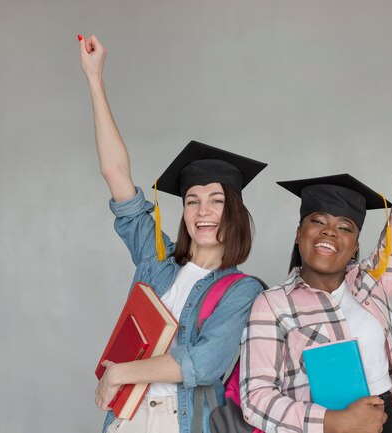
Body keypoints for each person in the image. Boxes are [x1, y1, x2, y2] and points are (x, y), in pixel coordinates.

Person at [78, 34, 267, 433]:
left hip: (180, 421)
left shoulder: (242, 290)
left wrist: (120, 373)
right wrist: (95, 80)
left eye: (216, 200)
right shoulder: (158, 260)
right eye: (192, 200)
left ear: (233, 210)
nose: (203, 212)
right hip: (127, 417)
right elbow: (116, 176)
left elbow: (202, 363)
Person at [240, 69, 392, 433]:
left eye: (344, 227)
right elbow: (255, 398)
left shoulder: (370, 285)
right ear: (299, 233)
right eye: (318, 221)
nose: (330, 232)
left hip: (390, 422)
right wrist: (334, 421)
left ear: (355, 246)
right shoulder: (272, 305)